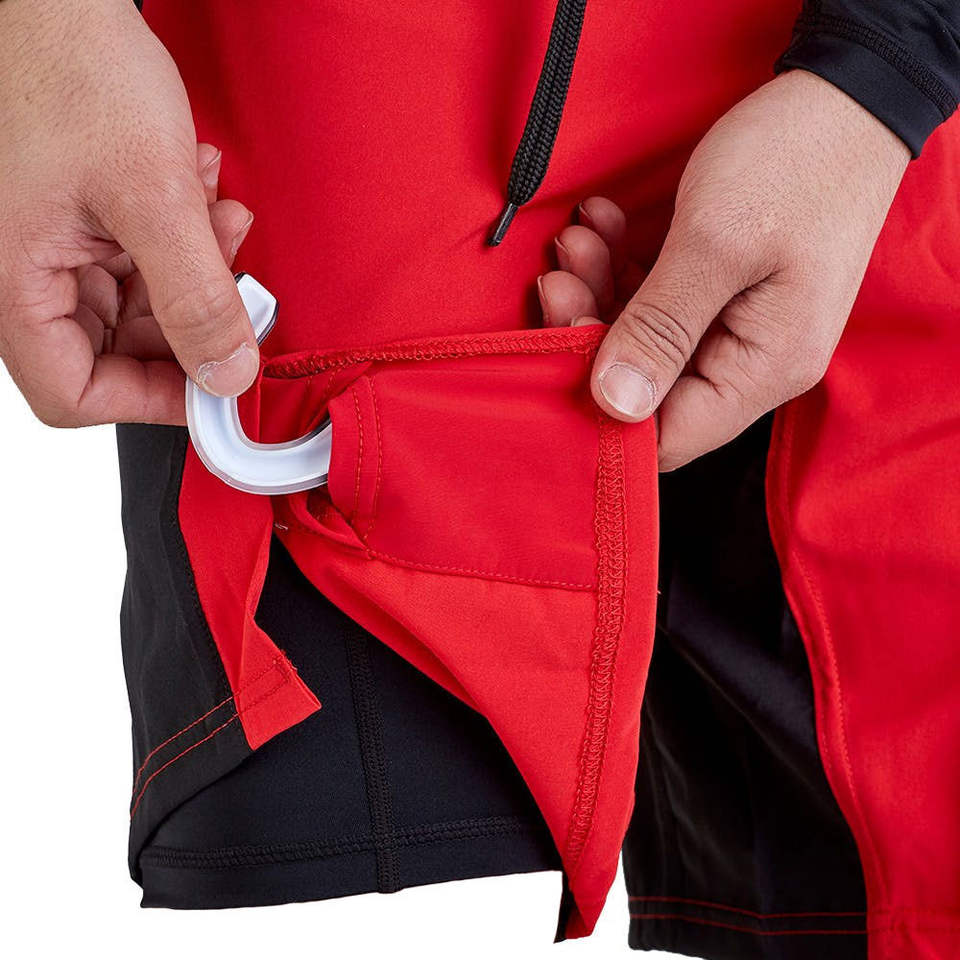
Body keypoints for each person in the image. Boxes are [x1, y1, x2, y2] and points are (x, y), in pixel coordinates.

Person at [1, 1, 958, 957]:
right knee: (362, 883)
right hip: (358, 155)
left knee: (880, 878)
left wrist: (882, 73)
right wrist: (41, 31)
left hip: (863, 149)